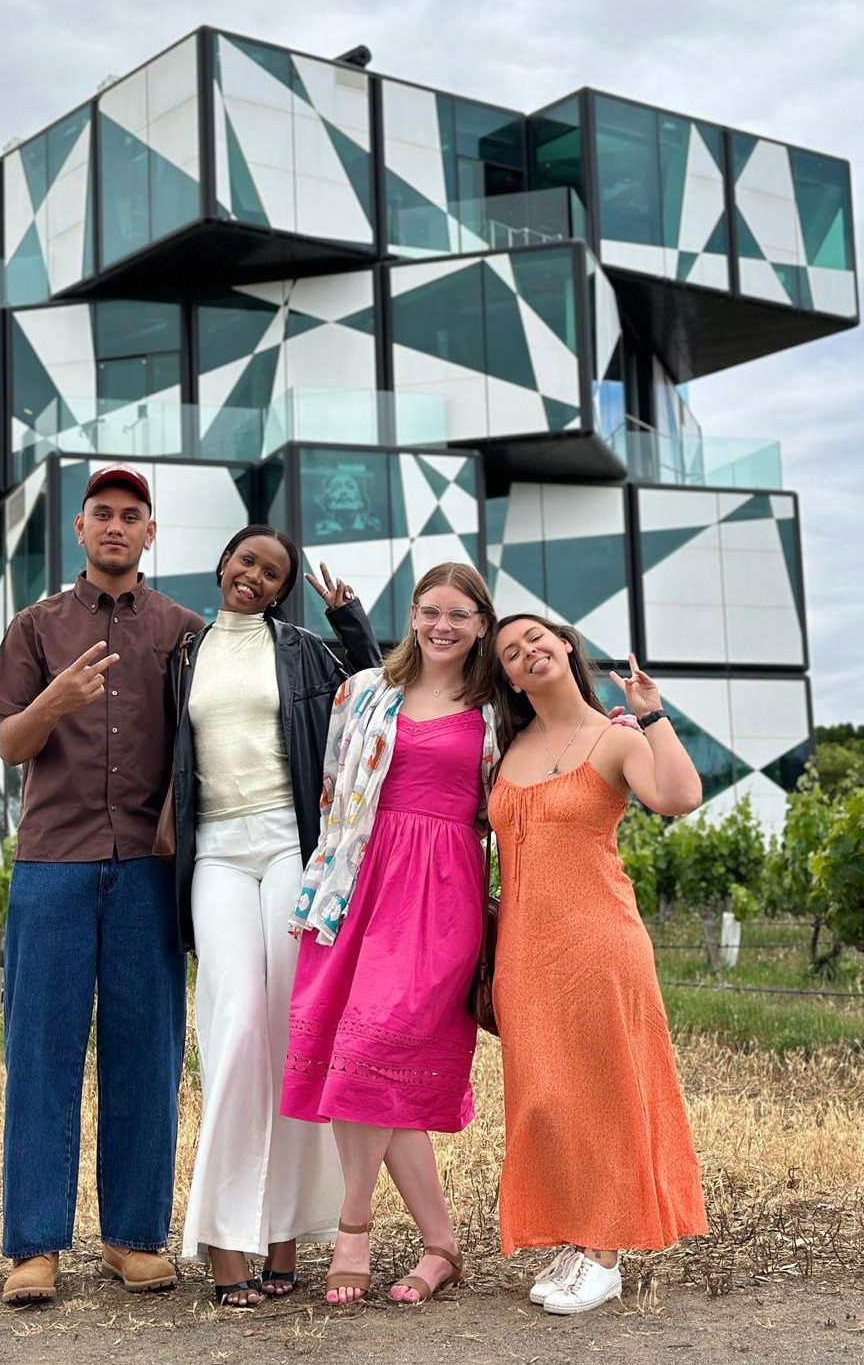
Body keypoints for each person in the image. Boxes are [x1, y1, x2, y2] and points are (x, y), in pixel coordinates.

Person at [0, 463, 204, 1305]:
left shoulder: (186, 631)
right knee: (41, 1052)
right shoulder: (35, 627)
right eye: (102, 514)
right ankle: (34, 1248)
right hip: (53, 863)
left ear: (151, 534)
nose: (116, 525)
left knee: (148, 1052)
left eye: (131, 515)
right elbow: (9, 746)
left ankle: (133, 1238)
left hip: (151, 868)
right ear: (80, 530)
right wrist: (57, 700)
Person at [172, 525, 380, 1306]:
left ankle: (286, 1239)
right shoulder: (184, 653)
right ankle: (228, 1245)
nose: (253, 577)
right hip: (217, 854)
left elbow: (381, 690)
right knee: (236, 1034)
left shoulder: (299, 649)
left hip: (291, 847)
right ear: (224, 562)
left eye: (271, 572)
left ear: (282, 587)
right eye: (246, 561)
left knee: (293, 1037)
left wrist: (350, 619)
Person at [282, 562, 498, 1306]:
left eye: (460, 615)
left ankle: (354, 1226)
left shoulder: (498, 705)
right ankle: (442, 1248)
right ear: (412, 615)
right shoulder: (367, 691)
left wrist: (636, 718)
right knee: (371, 1070)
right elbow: (332, 789)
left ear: (481, 626)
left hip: (442, 892)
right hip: (358, 882)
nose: (444, 625)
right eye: (431, 610)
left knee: (372, 1050)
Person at [488, 617, 709, 1315]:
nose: (528, 652)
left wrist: (652, 714)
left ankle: (606, 1253)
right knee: (547, 1099)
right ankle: (578, 1235)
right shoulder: (507, 746)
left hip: (600, 942)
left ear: (565, 648)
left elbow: (678, 797)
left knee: (605, 1093)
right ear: (512, 680)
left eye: (536, 639)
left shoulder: (616, 737)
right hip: (523, 950)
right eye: (512, 654)